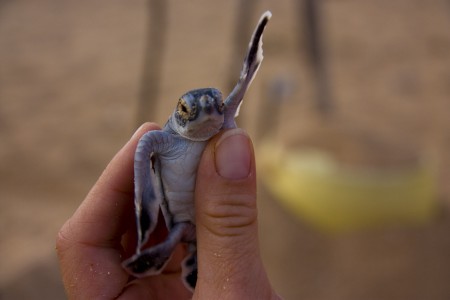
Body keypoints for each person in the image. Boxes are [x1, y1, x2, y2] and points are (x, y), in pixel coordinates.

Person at [56, 122, 280, 299]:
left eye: (216, 107)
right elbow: (145, 149)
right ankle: (160, 257)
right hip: (182, 224)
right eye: (187, 111)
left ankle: (172, 259)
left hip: (190, 224)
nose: (204, 116)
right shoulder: (163, 138)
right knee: (176, 237)